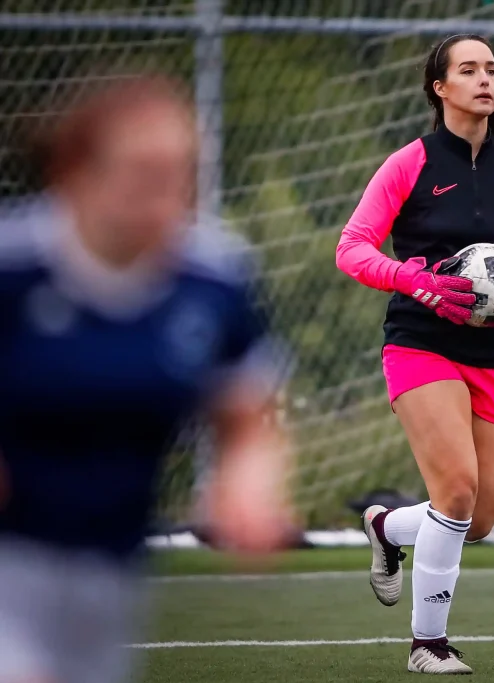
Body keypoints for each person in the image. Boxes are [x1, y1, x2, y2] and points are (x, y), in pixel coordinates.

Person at [0, 74, 294, 683]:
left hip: (113, 572)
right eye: (143, 173)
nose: (165, 198)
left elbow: (245, 415)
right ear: (74, 172)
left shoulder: (214, 280)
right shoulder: (14, 268)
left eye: (179, 174)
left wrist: (245, 486)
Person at [336, 34, 494, 674]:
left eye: (492, 69)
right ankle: (429, 645)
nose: (485, 79)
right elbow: (353, 248)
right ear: (439, 88)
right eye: (469, 70)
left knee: (477, 518)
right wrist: (413, 279)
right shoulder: (409, 163)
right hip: (422, 343)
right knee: (454, 491)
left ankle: (388, 527)